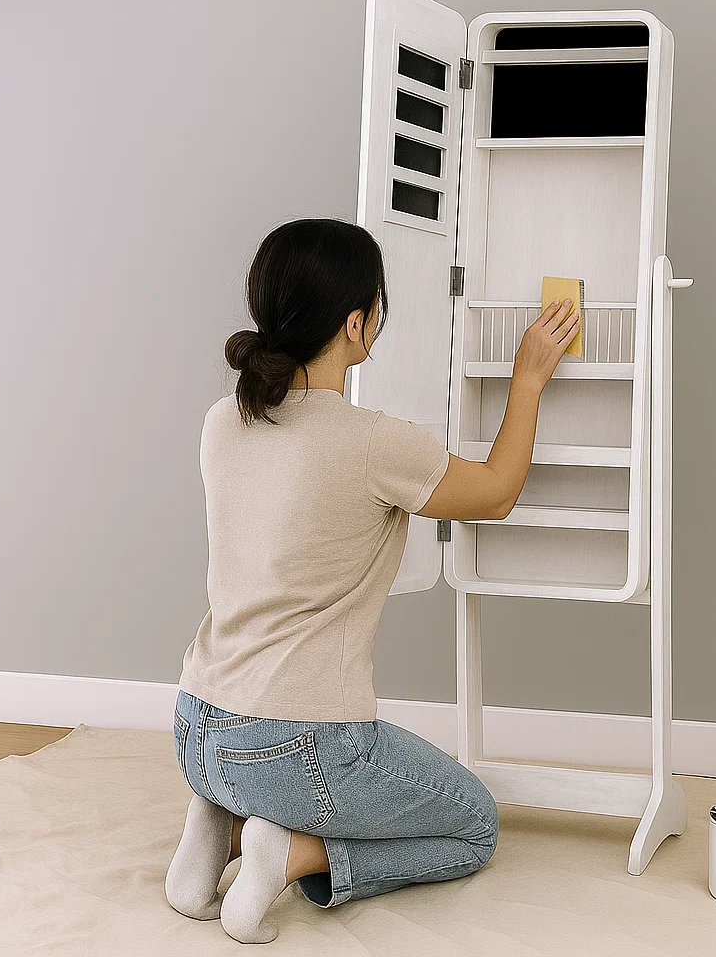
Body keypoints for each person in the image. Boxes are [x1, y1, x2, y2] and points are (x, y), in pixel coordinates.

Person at [164, 217, 580, 943]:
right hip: (295, 747)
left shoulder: (221, 421)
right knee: (474, 826)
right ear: (358, 324)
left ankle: (217, 824)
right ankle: (286, 851)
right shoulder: (373, 443)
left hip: (196, 726)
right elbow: (496, 492)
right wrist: (528, 377)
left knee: (256, 768)